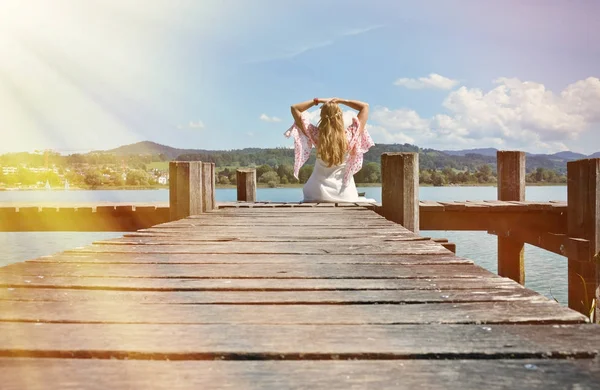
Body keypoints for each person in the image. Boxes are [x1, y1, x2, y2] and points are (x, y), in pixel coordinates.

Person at [284, 97, 376, 202]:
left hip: (316, 193)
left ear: (322, 117)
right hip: (344, 194)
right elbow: (365, 106)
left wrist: (318, 100)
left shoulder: (316, 135)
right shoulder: (351, 134)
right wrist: (341, 101)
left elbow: (295, 108)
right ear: (340, 116)